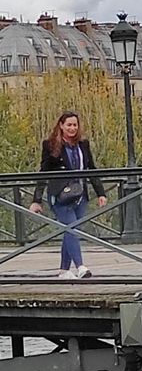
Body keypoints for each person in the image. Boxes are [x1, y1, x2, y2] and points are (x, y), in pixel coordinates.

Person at [30, 111, 108, 279]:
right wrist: (37, 200)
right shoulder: (51, 145)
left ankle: (64, 270)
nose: (72, 128)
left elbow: (91, 169)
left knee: (72, 229)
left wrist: (100, 192)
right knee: (71, 228)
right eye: (69, 125)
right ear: (61, 126)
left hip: (80, 194)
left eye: (75, 125)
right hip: (60, 195)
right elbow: (43, 172)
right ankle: (80, 267)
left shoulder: (83, 145)